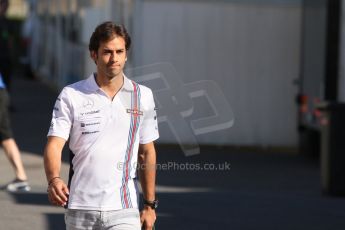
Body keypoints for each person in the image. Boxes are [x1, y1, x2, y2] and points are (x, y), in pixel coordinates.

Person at [44, 21, 159, 230]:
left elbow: (147, 152)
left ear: (126, 54)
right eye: (107, 52)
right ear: (93, 54)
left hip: (124, 209)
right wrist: (54, 179)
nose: (114, 59)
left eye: (119, 51)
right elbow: (54, 144)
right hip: (80, 208)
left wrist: (150, 205)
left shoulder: (143, 96)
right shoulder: (71, 95)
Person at [0, 72, 31, 192]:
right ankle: (21, 179)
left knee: (6, 136)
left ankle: (21, 178)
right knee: (6, 137)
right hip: (2, 93)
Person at [0, 0, 13, 91]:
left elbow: (9, 38)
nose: (6, 9)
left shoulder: (7, 21)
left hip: (5, 56)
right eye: (4, 6)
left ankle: (5, 101)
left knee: (6, 80)